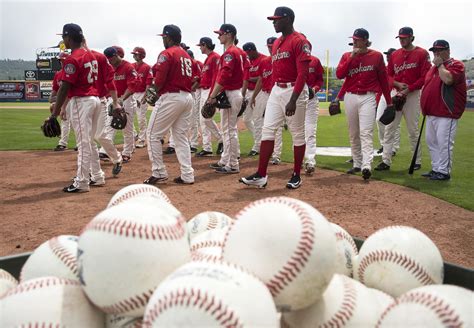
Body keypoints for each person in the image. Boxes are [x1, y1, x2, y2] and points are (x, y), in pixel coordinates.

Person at [240, 6, 311, 189]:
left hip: (293, 89)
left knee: (297, 134)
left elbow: (303, 74)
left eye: (277, 19)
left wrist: (294, 99)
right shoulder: (278, 42)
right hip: (276, 90)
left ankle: (296, 174)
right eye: (273, 19)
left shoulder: (300, 41)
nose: (274, 22)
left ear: (288, 19)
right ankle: (261, 175)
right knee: (267, 130)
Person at [50, 23, 102, 193]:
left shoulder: (73, 58)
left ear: (69, 38)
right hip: (95, 100)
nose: (63, 40)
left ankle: (81, 182)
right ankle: (98, 175)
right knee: (90, 140)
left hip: (82, 101)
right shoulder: (90, 56)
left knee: (83, 143)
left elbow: (64, 88)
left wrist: (54, 114)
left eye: (64, 38)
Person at [335, 28, 392, 180]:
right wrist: (351, 58)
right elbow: (340, 74)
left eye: (357, 39)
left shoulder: (377, 56)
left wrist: (390, 102)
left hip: (368, 96)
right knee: (353, 132)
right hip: (350, 97)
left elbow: (384, 81)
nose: (354, 41)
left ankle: (367, 165)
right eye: (353, 39)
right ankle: (357, 163)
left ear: (366, 40)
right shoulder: (347, 55)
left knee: (366, 132)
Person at [143, 24, 195, 185]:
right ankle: (187, 175)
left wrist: (153, 92)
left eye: (164, 37)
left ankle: (159, 172)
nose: (163, 40)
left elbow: (160, 80)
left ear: (169, 37)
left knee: (152, 135)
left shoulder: (166, 53)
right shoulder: (186, 55)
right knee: (180, 137)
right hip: (187, 97)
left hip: (171, 97)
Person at [375, 27, 431, 172]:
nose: (402, 40)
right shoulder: (395, 55)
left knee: (413, 130)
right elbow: (388, 76)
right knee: (389, 129)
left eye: (405, 37)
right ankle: (386, 161)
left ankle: (416, 161)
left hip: (412, 95)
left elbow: (425, 76)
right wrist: (398, 84)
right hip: (397, 93)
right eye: (400, 38)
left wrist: (409, 88)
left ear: (412, 37)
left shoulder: (422, 53)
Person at [420, 40, 466, 181]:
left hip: (446, 112)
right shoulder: (433, 69)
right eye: (434, 50)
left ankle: (444, 172)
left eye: (439, 50)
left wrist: (440, 65)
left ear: (448, 50)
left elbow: (448, 80)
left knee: (444, 143)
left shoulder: (456, 65)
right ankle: (436, 169)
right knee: (431, 142)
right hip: (432, 112)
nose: (436, 53)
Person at [207, 23, 244, 174]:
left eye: (221, 33)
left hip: (231, 93)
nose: (218, 36)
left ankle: (233, 164)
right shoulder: (239, 52)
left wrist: (212, 96)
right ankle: (225, 159)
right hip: (234, 92)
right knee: (228, 130)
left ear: (229, 34)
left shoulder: (230, 53)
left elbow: (224, 76)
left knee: (229, 131)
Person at [104, 46, 139, 163]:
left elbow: (132, 85)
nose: (109, 62)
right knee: (109, 124)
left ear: (115, 56)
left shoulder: (128, 67)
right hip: (113, 98)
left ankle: (127, 152)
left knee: (127, 127)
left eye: (110, 59)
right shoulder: (109, 68)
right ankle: (105, 150)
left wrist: (122, 99)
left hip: (127, 99)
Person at [195, 37, 224, 157]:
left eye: (201, 46)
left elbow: (217, 77)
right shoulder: (208, 59)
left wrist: (212, 95)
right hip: (203, 90)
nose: (200, 48)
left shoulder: (215, 57)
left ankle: (221, 140)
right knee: (204, 120)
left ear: (205, 45)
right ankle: (207, 147)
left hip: (210, 91)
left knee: (206, 119)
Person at [375, 48, 401, 157]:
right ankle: (384, 144)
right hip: (384, 96)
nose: (388, 56)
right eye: (387, 55)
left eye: (390, 55)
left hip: (395, 94)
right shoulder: (385, 68)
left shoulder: (398, 68)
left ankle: (393, 147)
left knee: (394, 124)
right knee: (379, 120)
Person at [242, 42, 267, 156]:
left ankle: (257, 146)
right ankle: (259, 140)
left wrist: (250, 78)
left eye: (248, 53)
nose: (247, 56)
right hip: (248, 91)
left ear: (252, 50)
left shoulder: (264, 59)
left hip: (260, 91)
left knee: (257, 119)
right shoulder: (248, 61)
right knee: (246, 119)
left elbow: (262, 77)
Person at [304, 47, 324, 175]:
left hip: (311, 100)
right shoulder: (292, 61)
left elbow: (320, 80)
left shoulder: (315, 61)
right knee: (298, 132)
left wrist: (315, 89)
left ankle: (310, 160)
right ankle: (299, 159)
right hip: (295, 99)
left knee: (310, 131)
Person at [50, 52, 73, 151]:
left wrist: (62, 107)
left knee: (77, 123)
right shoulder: (58, 74)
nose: (61, 62)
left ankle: (80, 144)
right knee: (65, 122)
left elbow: (68, 91)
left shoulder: (72, 72)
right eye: (60, 60)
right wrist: (51, 97)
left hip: (73, 100)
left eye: (63, 60)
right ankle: (62, 143)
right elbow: (55, 89)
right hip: (64, 101)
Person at [131, 46, 153, 148]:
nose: (134, 56)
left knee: (141, 118)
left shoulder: (147, 67)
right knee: (127, 117)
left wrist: (144, 97)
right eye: (134, 54)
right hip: (132, 94)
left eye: (136, 54)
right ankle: (135, 134)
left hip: (142, 93)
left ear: (141, 55)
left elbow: (148, 83)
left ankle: (142, 139)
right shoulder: (131, 66)